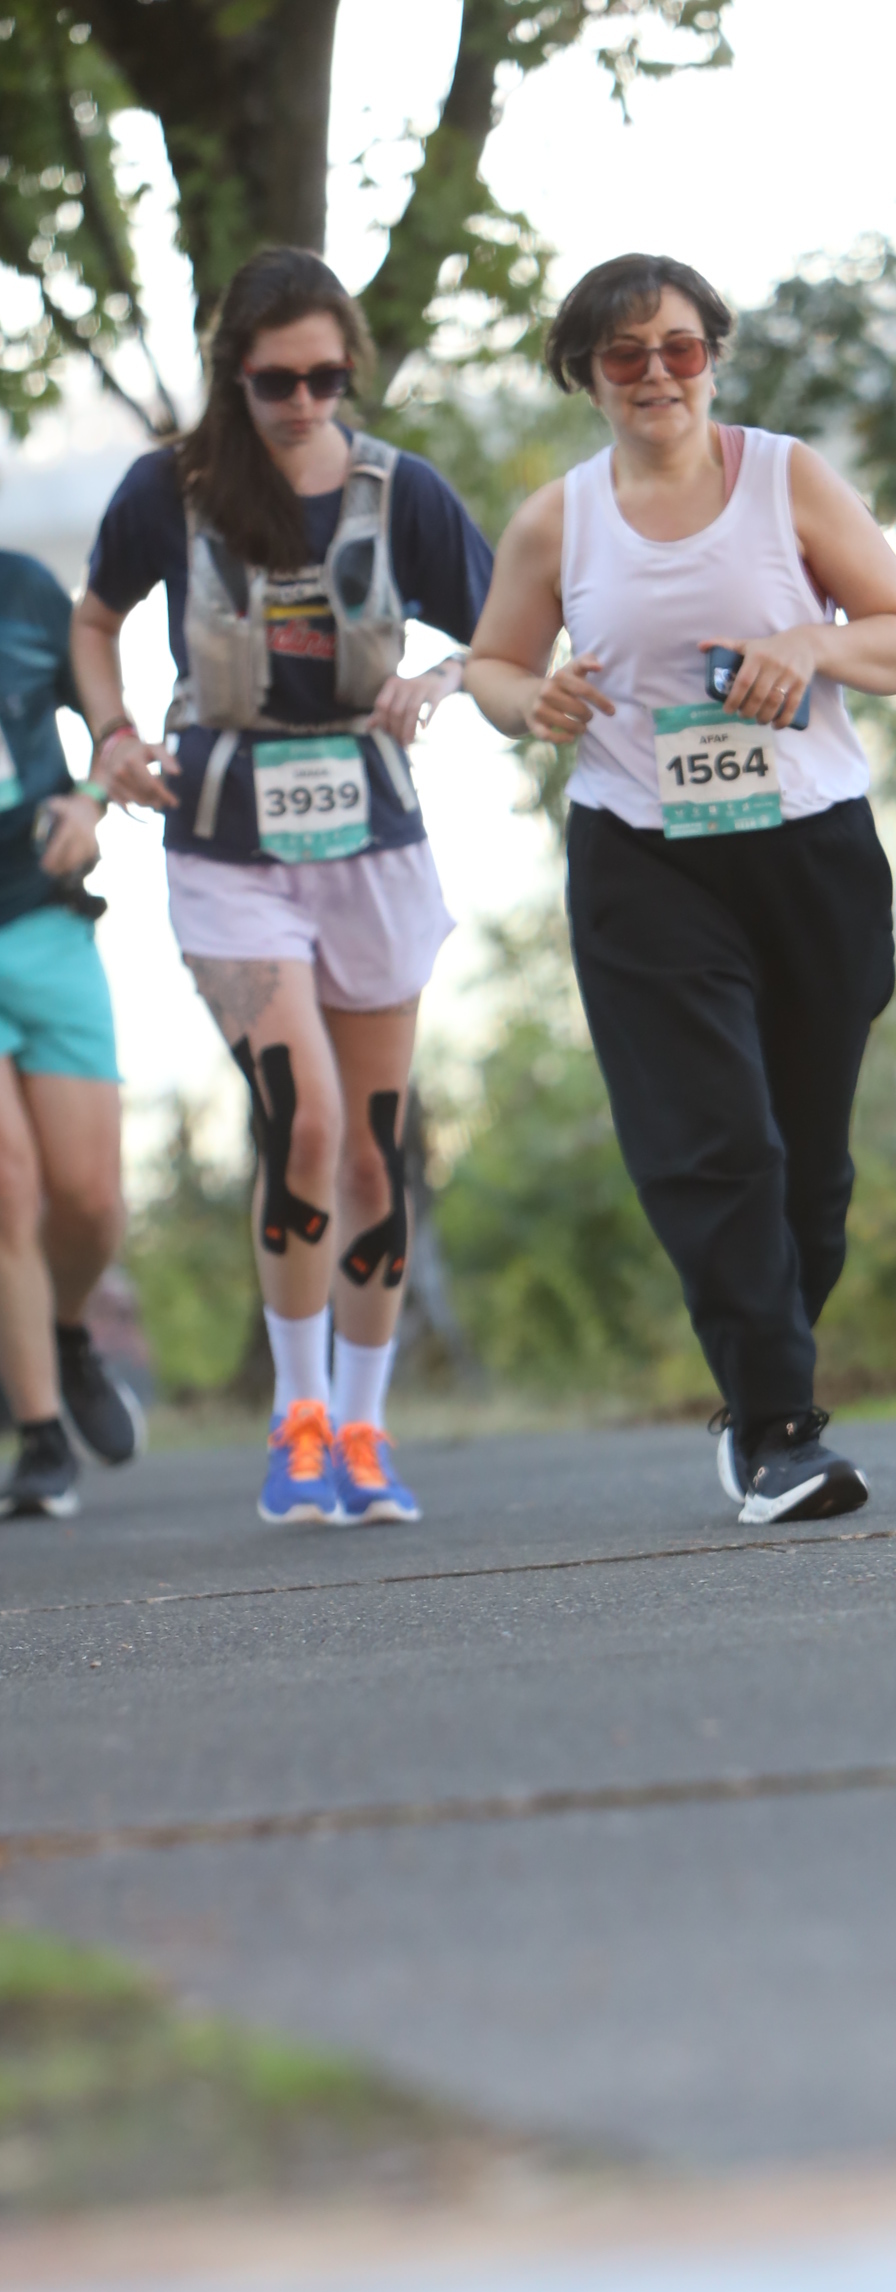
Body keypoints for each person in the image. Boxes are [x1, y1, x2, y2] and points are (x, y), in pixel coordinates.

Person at [465, 256, 896, 1525]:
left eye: (678, 348)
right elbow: (492, 665)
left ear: (713, 358)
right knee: (714, 1141)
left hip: (808, 850)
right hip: (643, 856)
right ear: (586, 376)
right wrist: (532, 698)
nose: (656, 375)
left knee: (809, 1178)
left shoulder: (785, 479)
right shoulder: (558, 520)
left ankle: (755, 1393)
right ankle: (781, 1430)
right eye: (624, 355)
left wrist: (809, 642)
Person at [75, 246, 491, 1529]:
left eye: (325, 377)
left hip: (373, 845)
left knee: (370, 1151)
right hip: (226, 845)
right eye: (275, 382)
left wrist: (440, 677)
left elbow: (508, 632)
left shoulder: (398, 491)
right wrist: (111, 734)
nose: (304, 403)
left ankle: (363, 1430)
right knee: (301, 1125)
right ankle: (296, 1420)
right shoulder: (170, 491)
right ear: (233, 377)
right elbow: (95, 619)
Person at [0, 541, 135, 1517]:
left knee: (89, 1199)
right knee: (7, 1185)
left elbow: (109, 728)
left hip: (46, 918)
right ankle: (41, 1433)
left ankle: (66, 1328)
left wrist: (91, 801)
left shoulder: (24, 590)